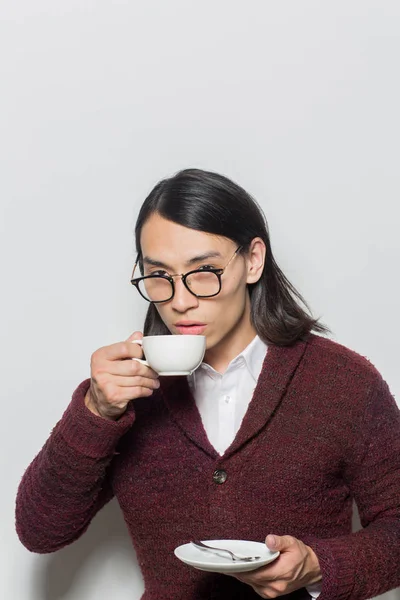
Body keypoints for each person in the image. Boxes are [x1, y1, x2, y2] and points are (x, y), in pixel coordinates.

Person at [16, 168, 400, 600]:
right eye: (159, 275)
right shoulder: (126, 391)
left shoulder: (343, 382)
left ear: (253, 260)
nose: (179, 301)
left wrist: (317, 567)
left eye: (204, 271)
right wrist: (95, 413)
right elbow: (39, 531)